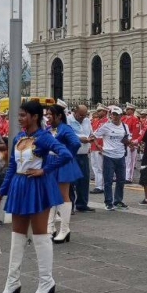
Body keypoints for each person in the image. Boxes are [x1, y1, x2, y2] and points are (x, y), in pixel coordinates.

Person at [0, 100, 74, 293]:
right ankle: (12, 283)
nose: (19, 119)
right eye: (18, 115)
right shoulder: (19, 137)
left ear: (34, 116)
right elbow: (12, 166)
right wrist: (0, 194)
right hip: (19, 186)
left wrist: (44, 170)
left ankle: (46, 282)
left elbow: (65, 154)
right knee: (17, 236)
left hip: (37, 187)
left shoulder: (44, 137)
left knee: (40, 235)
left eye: (22, 115)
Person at [44, 101, 83, 244]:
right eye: (46, 114)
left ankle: (64, 229)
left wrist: (66, 155)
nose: (47, 117)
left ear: (58, 116)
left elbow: (76, 143)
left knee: (63, 195)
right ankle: (50, 227)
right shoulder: (49, 129)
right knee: (50, 193)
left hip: (61, 164)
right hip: (50, 163)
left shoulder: (65, 128)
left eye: (50, 115)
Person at [96, 106, 130, 210]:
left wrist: (130, 143)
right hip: (108, 156)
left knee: (121, 180)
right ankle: (108, 202)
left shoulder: (125, 126)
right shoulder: (106, 126)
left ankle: (118, 201)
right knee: (108, 180)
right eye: (113, 114)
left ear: (121, 116)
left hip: (120, 156)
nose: (114, 116)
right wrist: (98, 147)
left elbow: (127, 138)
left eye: (116, 115)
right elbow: (94, 135)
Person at [68, 104, 95, 212]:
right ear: (75, 111)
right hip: (72, 154)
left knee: (84, 180)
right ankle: (69, 206)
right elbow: (68, 134)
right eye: (80, 115)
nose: (82, 117)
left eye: (84, 115)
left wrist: (91, 138)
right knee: (71, 181)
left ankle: (82, 204)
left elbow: (91, 132)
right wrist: (80, 139)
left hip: (84, 153)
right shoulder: (68, 120)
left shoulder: (87, 121)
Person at [89, 106, 107, 194]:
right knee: (95, 167)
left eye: (100, 111)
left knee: (100, 168)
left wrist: (102, 147)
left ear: (105, 111)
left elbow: (104, 136)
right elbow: (92, 134)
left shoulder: (106, 122)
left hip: (99, 147)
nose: (98, 112)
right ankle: (98, 185)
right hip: (93, 147)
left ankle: (100, 186)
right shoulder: (97, 121)